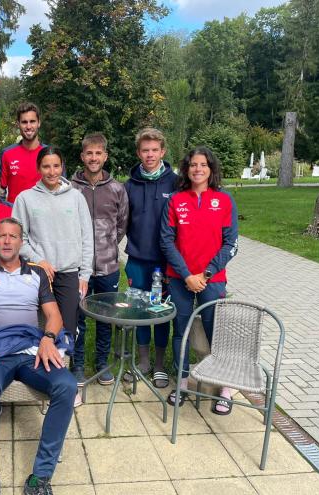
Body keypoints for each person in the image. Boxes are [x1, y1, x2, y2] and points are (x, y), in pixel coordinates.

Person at [0, 218, 77, 495]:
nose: (7, 241)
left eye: (13, 236)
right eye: (2, 236)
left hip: (30, 350)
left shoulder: (36, 273)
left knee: (67, 386)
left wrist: (48, 339)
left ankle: (41, 476)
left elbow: (53, 315)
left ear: (21, 242)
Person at [160, 146, 238, 413]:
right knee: (180, 331)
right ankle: (182, 381)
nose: (197, 169)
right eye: (193, 164)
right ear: (186, 168)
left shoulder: (225, 200)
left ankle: (225, 387)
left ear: (211, 169)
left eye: (203, 165)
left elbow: (230, 243)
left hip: (212, 280)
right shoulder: (175, 200)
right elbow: (166, 241)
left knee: (216, 332)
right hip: (180, 279)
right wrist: (186, 275)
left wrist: (204, 275)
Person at [12, 146, 94, 356]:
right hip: (37, 273)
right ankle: (37, 374)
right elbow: (18, 239)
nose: (52, 171)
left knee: (67, 329)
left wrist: (84, 275)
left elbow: (87, 238)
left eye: (56, 166)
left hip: (68, 273)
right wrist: (39, 260)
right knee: (37, 328)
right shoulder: (25, 199)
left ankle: (65, 374)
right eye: (46, 166)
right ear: (39, 168)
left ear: (62, 167)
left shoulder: (76, 197)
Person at [70, 132, 128, 386]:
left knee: (105, 317)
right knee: (77, 318)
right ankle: (78, 364)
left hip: (108, 267)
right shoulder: (70, 187)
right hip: (77, 267)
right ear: (82, 156)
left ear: (105, 156)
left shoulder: (117, 189)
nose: (93, 158)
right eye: (89, 153)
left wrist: (106, 247)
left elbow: (121, 225)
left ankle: (102, 362)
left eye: (98, 153)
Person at [124, 128, 179, 387]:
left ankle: (159, 364)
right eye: (145, 150)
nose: (149, 155)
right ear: (138, 153)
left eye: (154, 150)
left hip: (165, 263)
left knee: (160, 311)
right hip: (137, 260)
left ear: (163, 152)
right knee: (140, 312)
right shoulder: (129, 184)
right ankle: (143, 361)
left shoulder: (176, 183)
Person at [0, 102, 45, 203]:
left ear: (39, 123)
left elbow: (60, 190)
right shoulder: (6, 154)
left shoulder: (50, 155)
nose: (28, 126)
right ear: (18, 124)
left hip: (44, 215)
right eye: (24, 122)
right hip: (16, 215)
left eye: (32, 121)